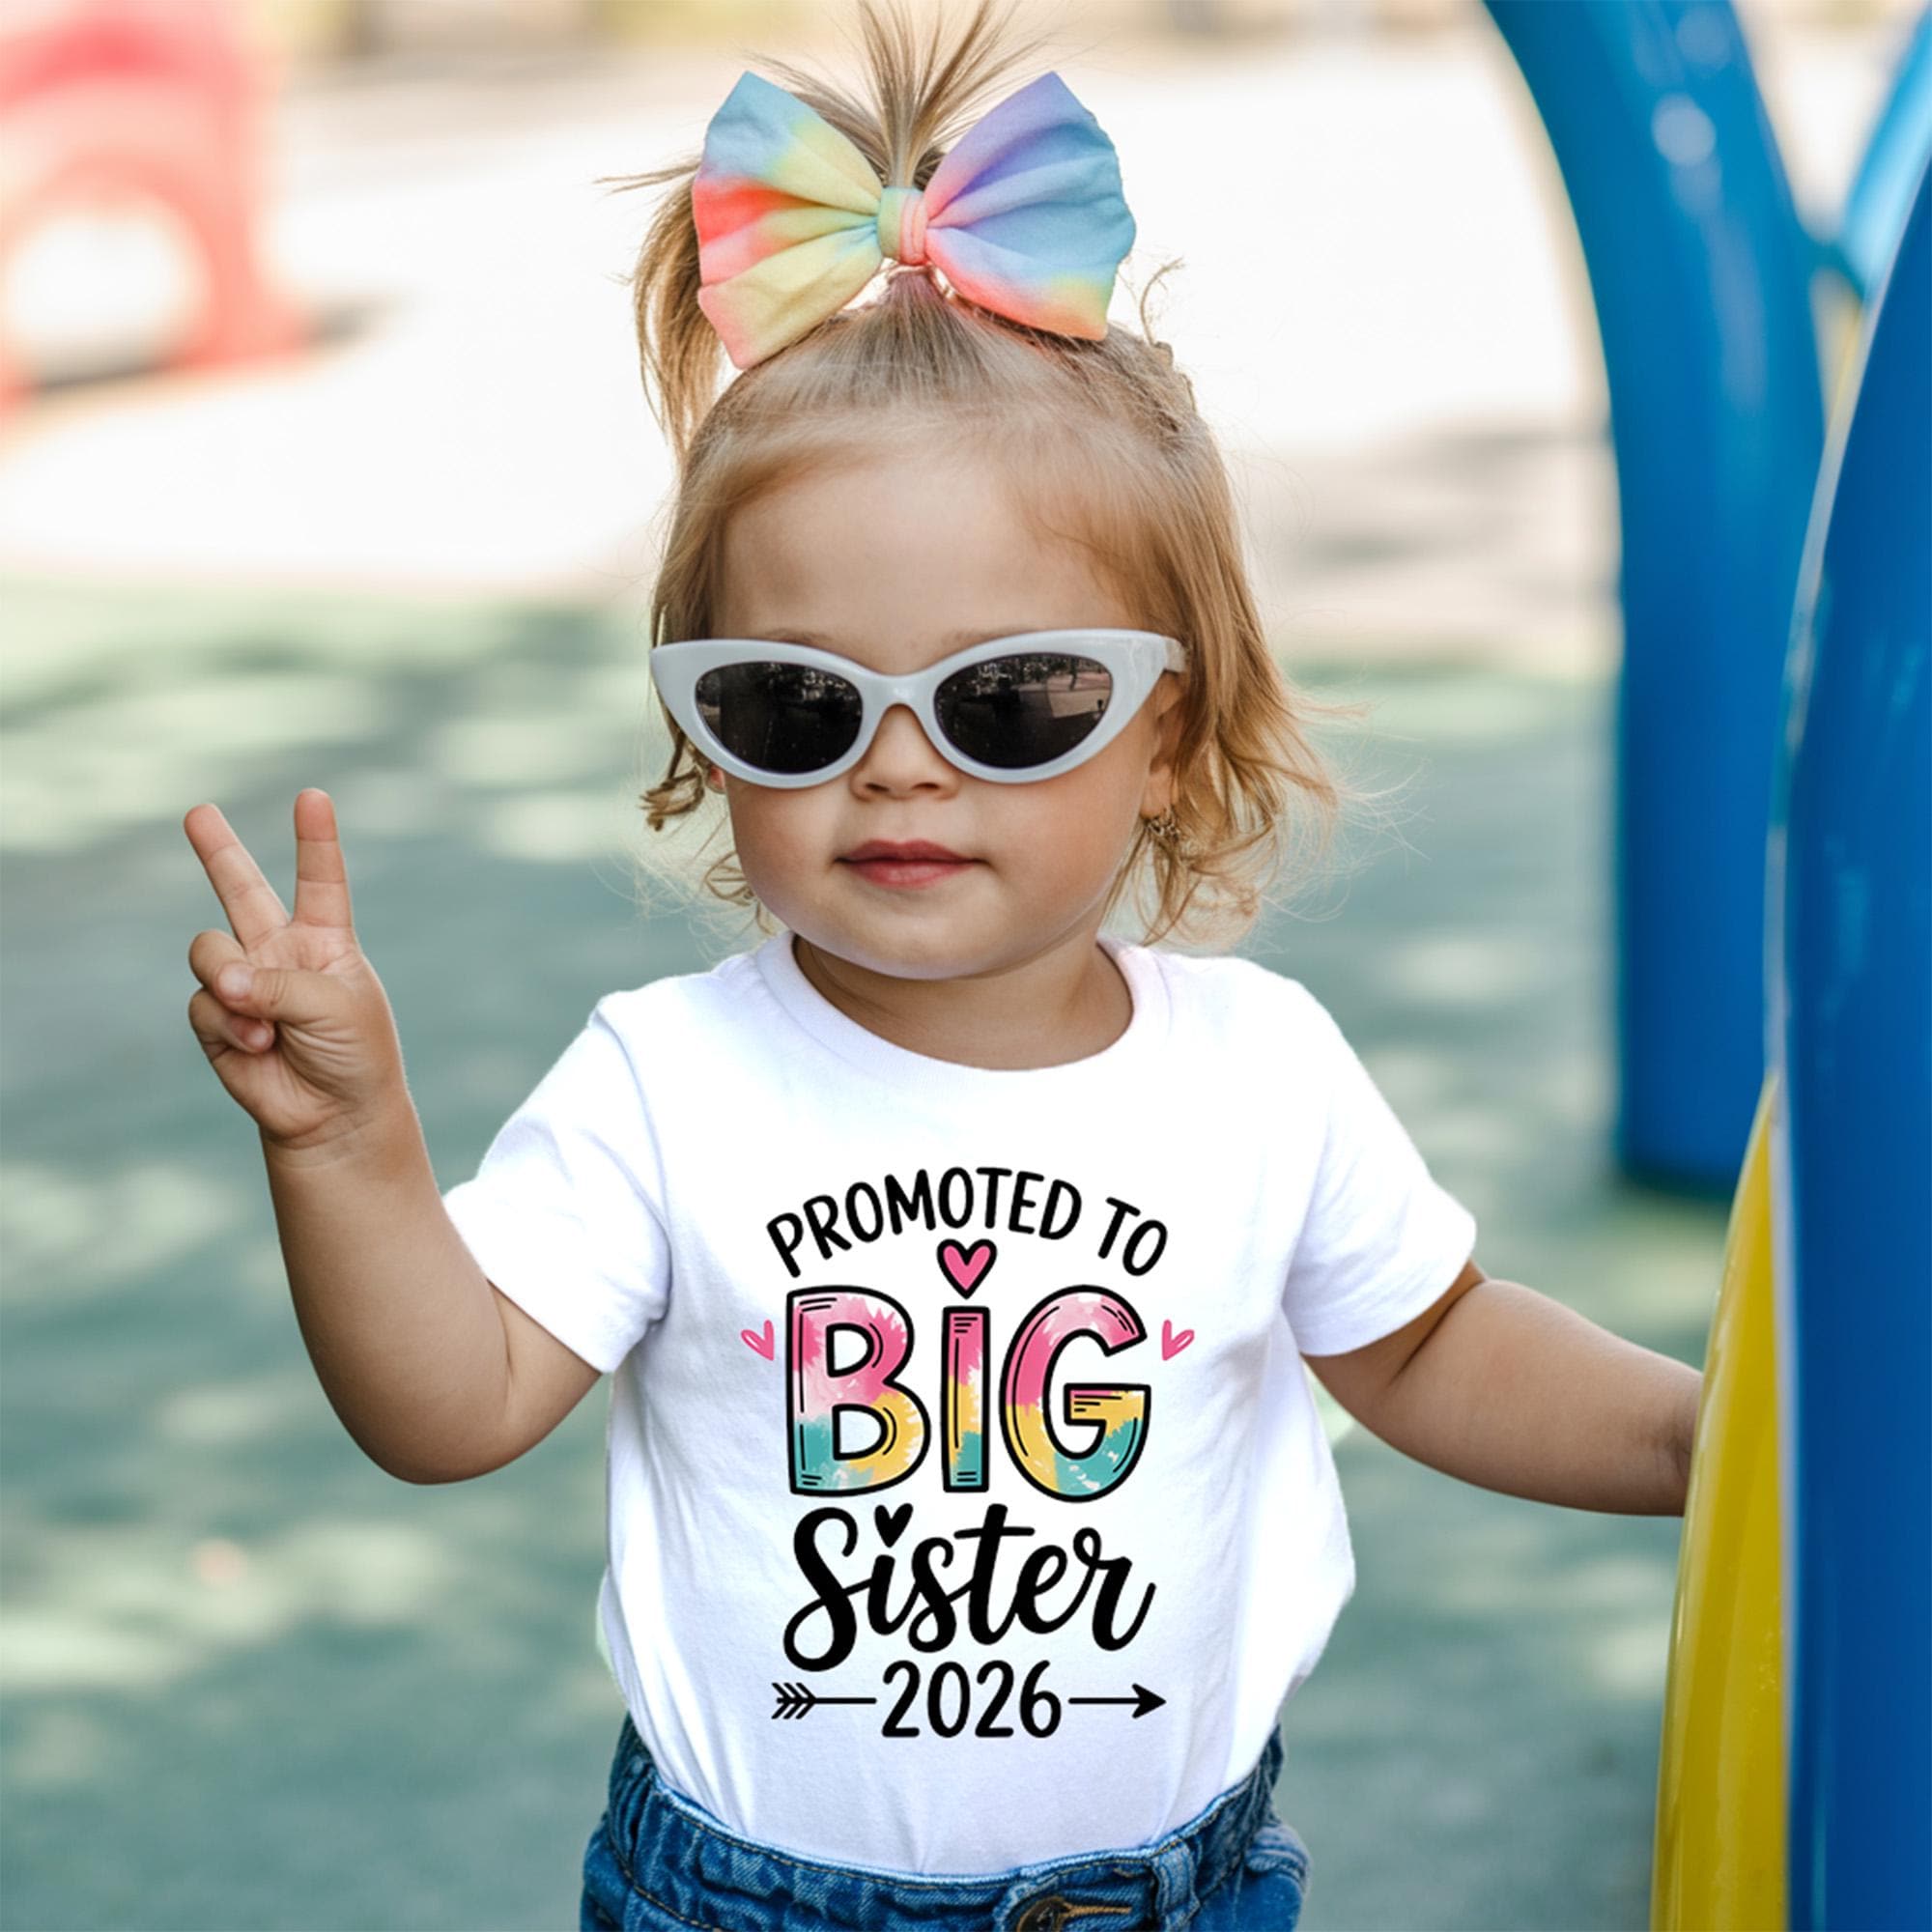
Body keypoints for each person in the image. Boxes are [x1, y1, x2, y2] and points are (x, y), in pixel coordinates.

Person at [181, 3, 1704, 1925]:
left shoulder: (1257, 1069)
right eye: (794, 700)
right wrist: (347, 1146)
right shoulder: (667, 1083)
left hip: (1176, 1890)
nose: (898, 760)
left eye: (1012, 697)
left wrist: (1697, 1441)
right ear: (705, 734)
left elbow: (1422, 1340)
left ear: (1169, 732)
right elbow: (450, 1401)